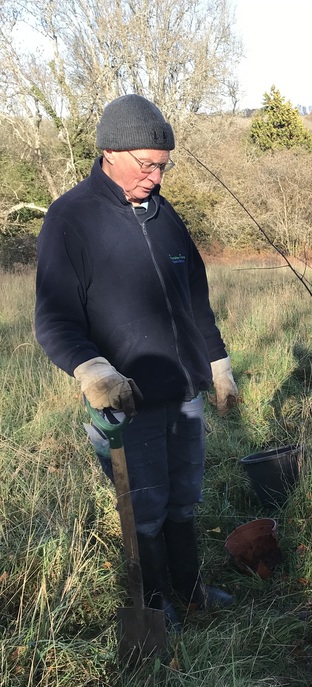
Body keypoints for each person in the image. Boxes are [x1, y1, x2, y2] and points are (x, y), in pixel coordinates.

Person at [35, 94, 238, 630]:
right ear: (109, 152)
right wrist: (92, 370)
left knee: (183, 500)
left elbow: (197, 300)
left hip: (184, 393)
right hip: (126, 403)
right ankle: (153, 605)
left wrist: (217, 364)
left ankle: (190, 590)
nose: (155, 177)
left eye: (163, 166)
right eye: (146, 165)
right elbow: (53, 321)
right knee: (142, 509)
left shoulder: (167, 217)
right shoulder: (70, 219)